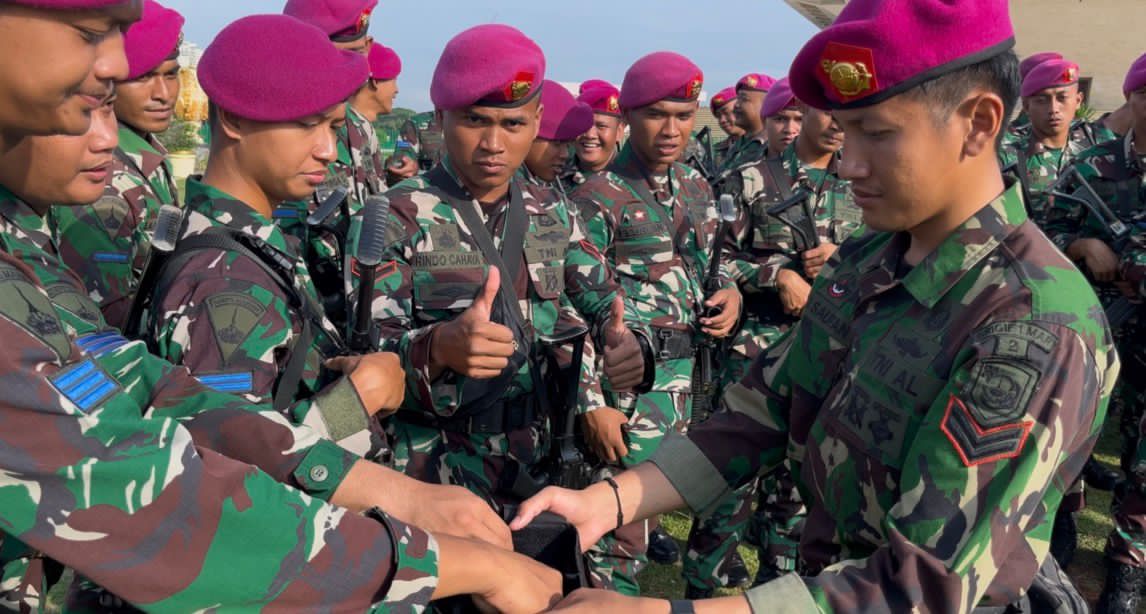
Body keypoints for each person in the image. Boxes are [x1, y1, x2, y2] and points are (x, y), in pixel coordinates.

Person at [515, 0, 1117, 611]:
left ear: (980, 123)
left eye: (877, 133)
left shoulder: (1032, 322)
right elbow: (765, 408)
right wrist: (607, 502)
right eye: (845, 130)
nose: (849, 163)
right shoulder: (871, 257)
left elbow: (921, 587)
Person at [0, 4, 561, 611]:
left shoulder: (246, 250)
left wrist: (399, 482)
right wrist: (361, 404)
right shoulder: (222, 279)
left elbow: (179, 402)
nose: (327, 150)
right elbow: (218, 484)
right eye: (307, 125)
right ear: (238, 120)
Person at [356, 20, 648, 585]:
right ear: (440, 120)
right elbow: (367, 359)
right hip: (434, 470)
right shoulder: (394, 215)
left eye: (513, 124)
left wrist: (627, 342)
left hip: (536, 462)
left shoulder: (551, 211)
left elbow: (603, 300)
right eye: (474, 122)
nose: (494, 144)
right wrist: (437, 348)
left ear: (537, 123)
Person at [570, 50, 742, 595]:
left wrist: (732, 292)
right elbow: (573, 314)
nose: (672, 130)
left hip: (696, 381)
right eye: (656, 115)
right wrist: (592, 403)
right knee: (620, 531)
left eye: (684, 115)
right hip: (632, 393)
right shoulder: (594, 197)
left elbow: (719, 262)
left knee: (707, 505)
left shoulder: (696, 185)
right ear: (627, 120)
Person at [1046, 50, 1146, 614]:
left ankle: (1125, 571)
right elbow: (1042, 239)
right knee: (1075, 437)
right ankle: (1059, 529)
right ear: (1129, 98)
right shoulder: (1092, 169)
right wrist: (1084, 245)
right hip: (1101, 332)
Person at [51, 0, 183, 330]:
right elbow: (105, 313)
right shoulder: (102, 175)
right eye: (144, 78)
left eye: (172, 74)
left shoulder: (148, 156)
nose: (163, 94)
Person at [999, 57, 1115, 225]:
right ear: (1026, 106)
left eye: (1062, 98)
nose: (1053, 109)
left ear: (1078, 101)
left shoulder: (1099, 147)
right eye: (1042, 100)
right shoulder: (1009, 158)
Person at [521, 80, 593, 194]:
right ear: (532, 130)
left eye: (568, 144)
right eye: (557, 143)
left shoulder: (539, 187)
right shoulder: (506, 190)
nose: (565, 154)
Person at [569, 81, 624, 186]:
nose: (590, 135)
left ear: (619, 132)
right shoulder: (553, 176)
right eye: (583, 124)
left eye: (601, 126)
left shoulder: (633, 179)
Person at [711, 86, 743, 168]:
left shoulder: (767, 146)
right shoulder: (714, 151)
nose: (722, 120)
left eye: (726, 113)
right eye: (718, 116)